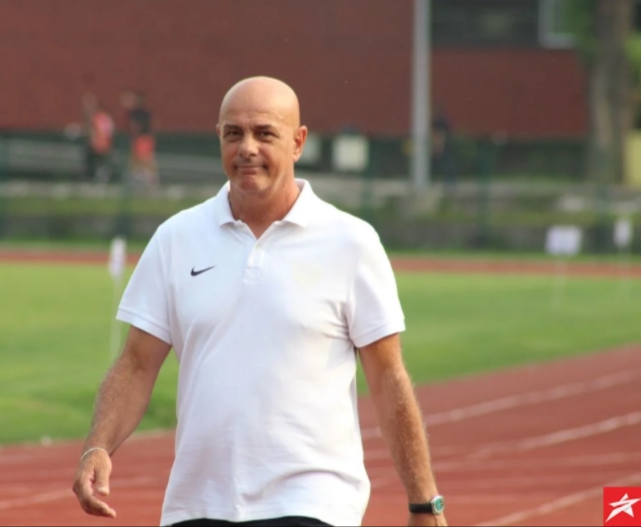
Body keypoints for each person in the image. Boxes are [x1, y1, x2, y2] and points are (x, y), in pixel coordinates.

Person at [72, 76, 447, 527]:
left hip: (313, 503)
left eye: (264, 133)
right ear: (218, 138)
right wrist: (98, 447)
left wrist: (424, 501)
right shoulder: (176, 238)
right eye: (234, 133)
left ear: (298, 142)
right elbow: (136, 365)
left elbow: (387, 378)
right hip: (198, 505)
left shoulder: (351, 242)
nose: (247, 147)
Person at [121, 90, 158, 185]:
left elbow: (135, 126)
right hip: (143, 138)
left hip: (142, 138)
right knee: (139, 160)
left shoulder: (137, 113)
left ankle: (149, 179)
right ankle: (145, 179)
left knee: (143, 160)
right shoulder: (142, 112)